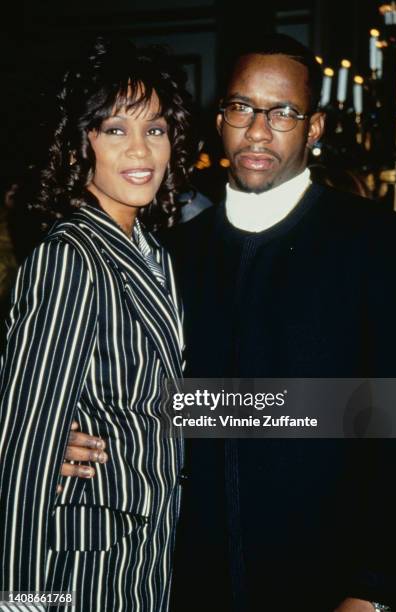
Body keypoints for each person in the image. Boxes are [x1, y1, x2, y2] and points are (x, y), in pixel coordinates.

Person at [60, 34, 396, 612]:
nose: (257, 131)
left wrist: (376, 588)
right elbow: (147, 397)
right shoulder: (168, 254)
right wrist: (62, 436)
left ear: (314, 127)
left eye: (284, 113)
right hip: (186, 577)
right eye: (242, 107)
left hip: (329, 582)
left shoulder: (377, 243)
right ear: (219, 118)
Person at [0, 36, 195, 612]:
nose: (141, 151)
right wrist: (23, 602)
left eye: (154, 130)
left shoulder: (155, 253)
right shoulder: (71, 256)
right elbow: (27, 454)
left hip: (149, 554)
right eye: (116, 129)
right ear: (77, 143)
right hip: (84, 567)